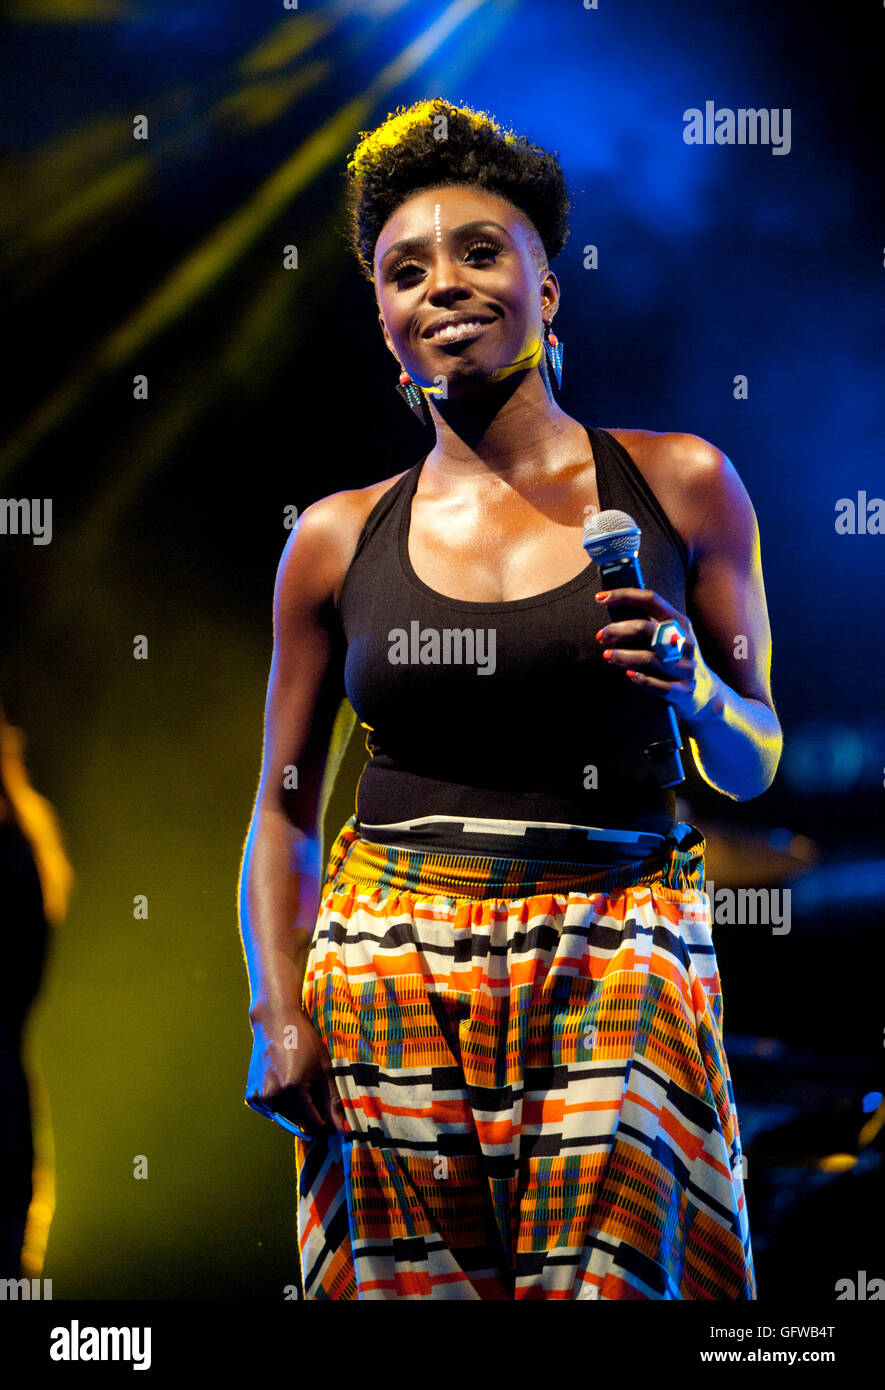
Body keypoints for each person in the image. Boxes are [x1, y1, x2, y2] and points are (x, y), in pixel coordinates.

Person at [237, 98, 782, 1300]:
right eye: (405, 270)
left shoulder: (685, 483)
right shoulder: (334, 538)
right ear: (383, 320)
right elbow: (280, 811)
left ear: (547, 289)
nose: (445, 286)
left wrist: (695, 688)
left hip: (619, 944)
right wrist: (280, 1011)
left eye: (483, 252)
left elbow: (754, 757)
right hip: (389, 961)